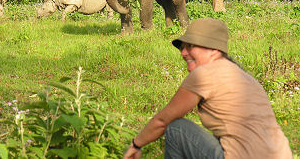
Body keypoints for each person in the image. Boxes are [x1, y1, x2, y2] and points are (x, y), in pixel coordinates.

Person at [124, 18, 293, 159]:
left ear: (213, 49)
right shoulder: (245, 77)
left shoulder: (204, 75)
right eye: (183, 47)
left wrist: (136, 144)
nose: (183, 53)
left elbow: (162, 121)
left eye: (191, 46)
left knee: (176, 128)